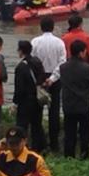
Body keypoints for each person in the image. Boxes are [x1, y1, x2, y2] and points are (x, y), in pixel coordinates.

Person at [31, 18, 66, 152]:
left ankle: (38, 144)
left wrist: (40, 79)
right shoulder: (59, 43)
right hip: (55, 79)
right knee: (54, 112)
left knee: (37, 112)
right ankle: (54, 145)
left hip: (39, 79)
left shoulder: (35, 42)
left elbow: (32, 61)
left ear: (41, 27)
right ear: (53, 27)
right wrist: (52, 78)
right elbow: (62, 63)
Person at [60, 39, 89, 159]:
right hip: (84, 105)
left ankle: (68, 157)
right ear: (81, 52)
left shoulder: (63, 67)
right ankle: (84, 156)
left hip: (68, 105)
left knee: (69, 133)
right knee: (85, 133)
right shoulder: (86, 68)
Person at [13, 40, 46, 153]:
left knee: (22, 126)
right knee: (37, 124)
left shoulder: (20, 67)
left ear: (21, 51)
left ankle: (22, 148)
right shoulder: (37, 61)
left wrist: (15, 103)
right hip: (37, 99)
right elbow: (42, 79)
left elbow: (19, 88)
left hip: (25, 101)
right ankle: (39, 148)